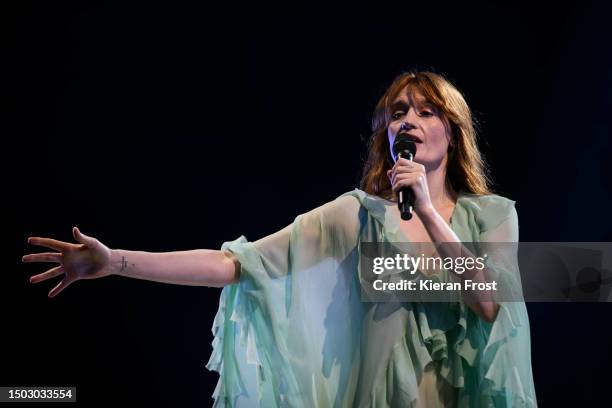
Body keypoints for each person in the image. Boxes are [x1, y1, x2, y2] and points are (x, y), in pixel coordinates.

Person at [23, 71, 537, 407]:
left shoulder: (491, 217)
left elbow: (489, 302)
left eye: (426, 111)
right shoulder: (354, 216)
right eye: (398, 112)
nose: (410, 120)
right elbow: (236, 264)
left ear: (453, 130)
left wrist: (425, 209)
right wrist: (116, 262)